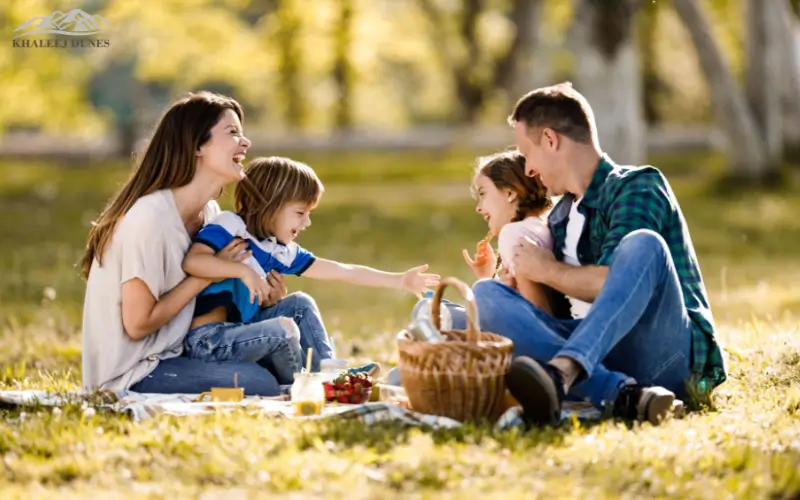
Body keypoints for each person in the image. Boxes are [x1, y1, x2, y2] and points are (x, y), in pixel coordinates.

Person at [472, 82, 727, 426]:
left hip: (663, 357)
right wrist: (517, 292)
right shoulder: (560, 219)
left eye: (527, 154)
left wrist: (547, 271)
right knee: (484, 297)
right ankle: (618, 392)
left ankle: (568, 371)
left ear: (551, 140)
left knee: (644, 244)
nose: (528, 170)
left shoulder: (637, 186)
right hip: (603, 364)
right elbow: (549, 317)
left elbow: (613, 283)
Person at [80, 91, 286, 396]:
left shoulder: (211, 215)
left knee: (294, 312)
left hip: (186, 350)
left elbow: (215, 306)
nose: (246, 142)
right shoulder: (149, 220)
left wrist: (266, 298)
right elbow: (137, 324)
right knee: (260, 382)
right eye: (232, 133)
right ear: (197, 146)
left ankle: (332, 383)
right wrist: (207, 274)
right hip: (136, 371)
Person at [181, 156, 440, 378]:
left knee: (300, 304)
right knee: (283, 329)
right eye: (300, 213)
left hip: (244, 332)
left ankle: (329, 374)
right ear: (269, 205)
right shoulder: (230, 226)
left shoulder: (278, 249)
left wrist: (400, 281)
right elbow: (193, 261)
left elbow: (341, 270)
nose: (307, 223)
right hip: (209, 340)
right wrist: (243, 271)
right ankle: (312, 385)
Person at [462, 150, 555, 314]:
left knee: (433, 310)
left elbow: (538, 314)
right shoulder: (540, 227)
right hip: (544, 326)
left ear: (510, 193)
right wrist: (489, 275)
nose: (479, 207)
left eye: (483, 193)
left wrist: (489, 286)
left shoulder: (513, 233)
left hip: (537, 334)